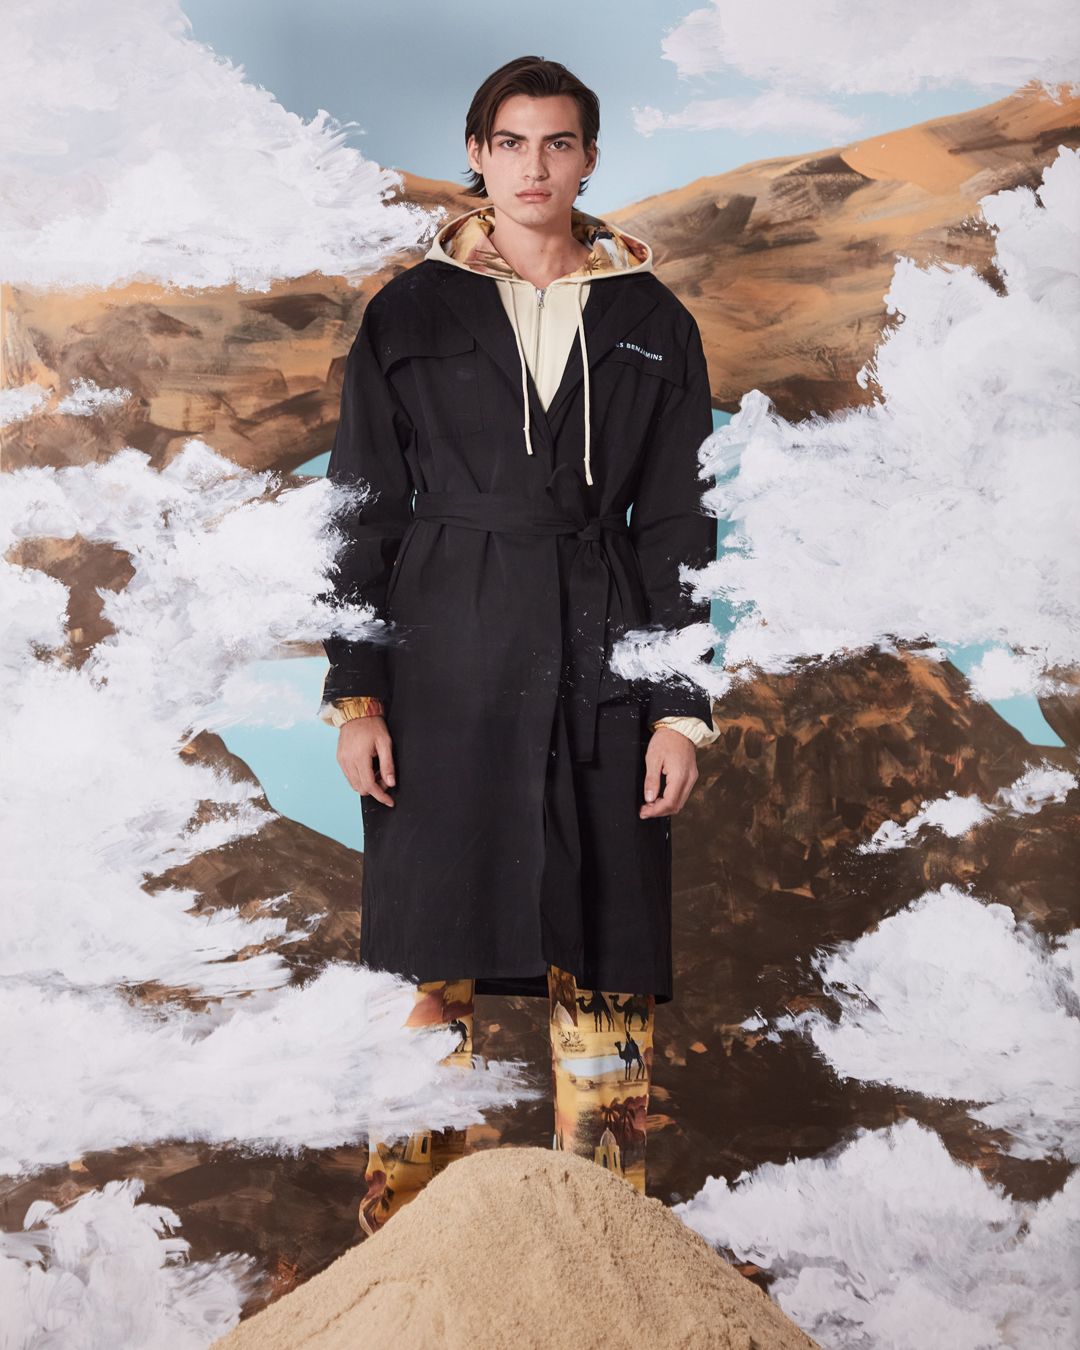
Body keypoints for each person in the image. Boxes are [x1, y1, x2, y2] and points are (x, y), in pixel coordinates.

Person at [318, 56, 720, 1234]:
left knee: (609, 943)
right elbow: (359, 508)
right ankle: (407, 1245)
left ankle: (608, 1240)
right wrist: (359, 696)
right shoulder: (411, 312)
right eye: (510, 143)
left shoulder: (653, 320)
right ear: (477, 155)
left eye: (557, 143)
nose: (533, 167)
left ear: (588, 157)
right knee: (425, 951)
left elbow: (682, 524)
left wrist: (678, 708)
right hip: (442, 653)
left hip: (604, 648)